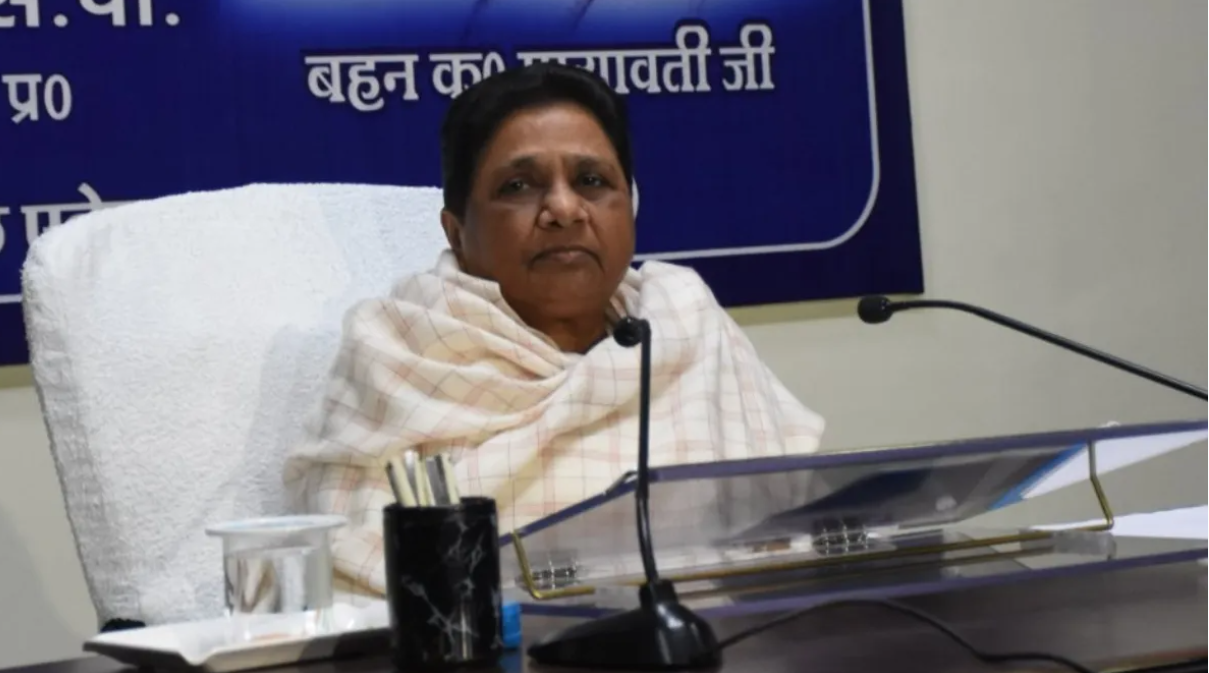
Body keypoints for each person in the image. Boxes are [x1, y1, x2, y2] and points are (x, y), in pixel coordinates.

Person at [284, 63, 825, 602]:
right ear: (456, 233)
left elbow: (813, 529)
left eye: (592, 181)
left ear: (630, 208)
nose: (564, 209)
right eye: (518, 186)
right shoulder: (399, 354)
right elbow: (344, 575)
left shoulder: (682, 322)